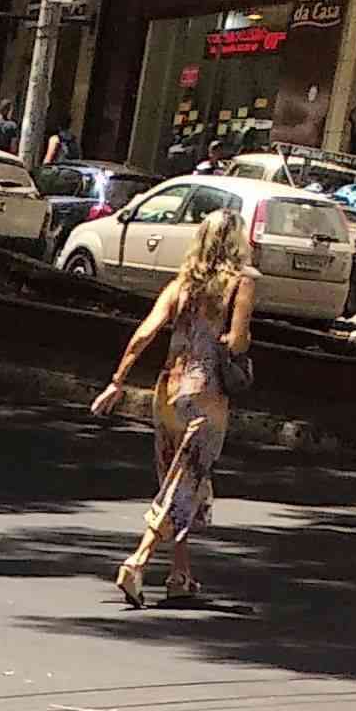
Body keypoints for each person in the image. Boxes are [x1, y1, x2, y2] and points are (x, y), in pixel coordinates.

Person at [91, 197, 252, 606]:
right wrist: (238, 341)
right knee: (185, 483)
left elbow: (144, 333)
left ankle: (181, 574)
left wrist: (117, 381)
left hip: (167, 392)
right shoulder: (241, 283)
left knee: (179, 481)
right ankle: (138, 561)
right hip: (206, 396)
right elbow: (236, 342)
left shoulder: (181, 284)